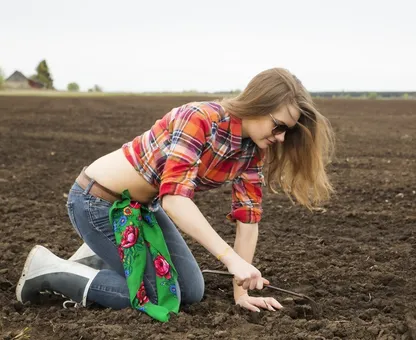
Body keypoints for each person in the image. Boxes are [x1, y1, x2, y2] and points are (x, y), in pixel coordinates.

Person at [16, 67, 335, 320]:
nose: (281, 137)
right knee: (160, 297)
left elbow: (247, 219)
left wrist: (242, 293)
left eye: (287, 131)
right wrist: (229, 259)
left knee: (190, 292)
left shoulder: (252, 151)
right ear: (257, 104)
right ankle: (48, 270)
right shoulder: (200, 119)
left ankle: (97, 256)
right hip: (97, 201)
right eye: (278, 125)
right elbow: (175, 199)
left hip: (141, 210)